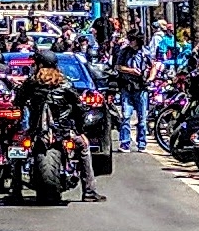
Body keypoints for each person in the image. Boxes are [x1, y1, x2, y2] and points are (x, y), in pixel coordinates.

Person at [14, 48, 104, 202]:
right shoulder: (65, 84)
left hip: (36, 131)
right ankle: (89, 191)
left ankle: (16, 191)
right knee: (84, 146)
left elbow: (18, 103)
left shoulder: (31, 83)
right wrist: (81, 130)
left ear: (40, 64)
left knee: (17, 149)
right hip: (63, 131)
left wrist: (22, 124)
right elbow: (79, 108)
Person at [113, 30, 154, 152]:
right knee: (126, 116)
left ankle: (142, 143)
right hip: (127, 87)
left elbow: (154, 66)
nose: (130, 42)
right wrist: (131, 71)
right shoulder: (124, 52)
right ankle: (125, 142)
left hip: (141, 88)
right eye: (129, 39)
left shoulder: (145, 52)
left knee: (142, 118)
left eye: (132, 39)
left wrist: (150, 78)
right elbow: (117, 66)